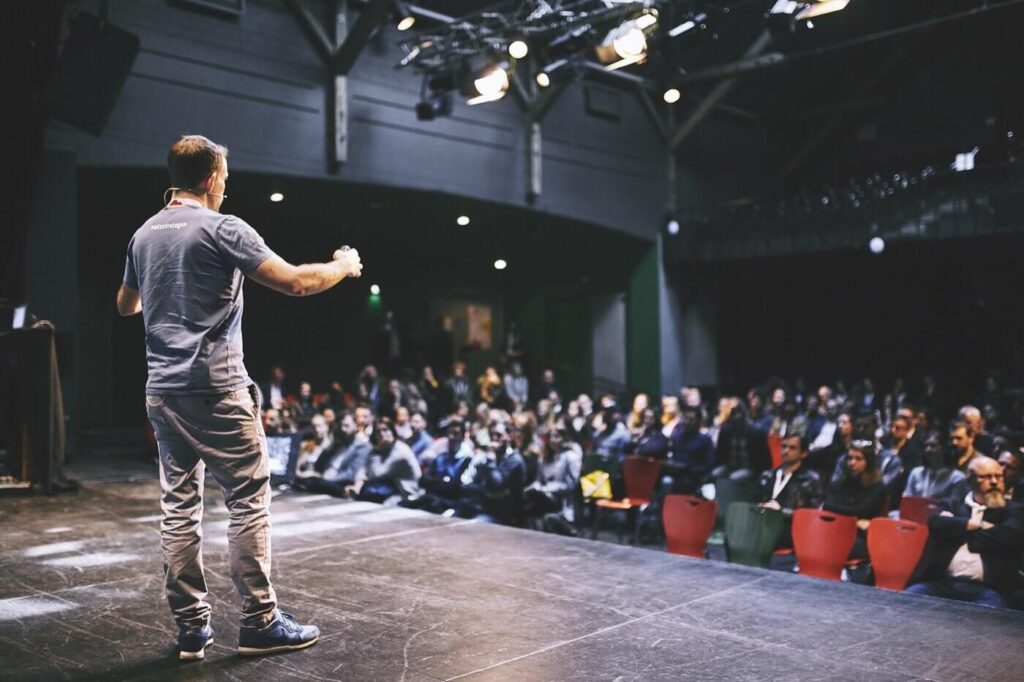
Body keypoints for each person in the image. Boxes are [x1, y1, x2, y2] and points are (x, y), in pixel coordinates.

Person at [117, 135, 362, 659]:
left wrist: (164, 287)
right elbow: (296, 283)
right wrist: (342, 265)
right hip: (216, 389)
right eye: (224, 178)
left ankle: (191, 628)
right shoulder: (221, 227)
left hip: (162, 390)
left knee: (178, 507)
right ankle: (259, 619)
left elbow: (125, 305)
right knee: (248, 500)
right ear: (210, 179)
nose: (225, 188)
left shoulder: (143, 235)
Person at [906, 456, 1024, 608]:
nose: (994, 482)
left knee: (991, 618)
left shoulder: (1013, 510)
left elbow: (1010, 537)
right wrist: (975, 524)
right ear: (970, 480)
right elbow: (935, 522)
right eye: (986, 477)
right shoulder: (952, 504)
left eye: (998, 476)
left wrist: (958, 528)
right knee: (904, 603)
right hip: (940, 583)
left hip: (987, 589)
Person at [823, 440, 886, 560]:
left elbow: (863, 510)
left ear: (868, 462)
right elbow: (828, 505)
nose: (852, 463)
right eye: (850, 458)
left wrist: (839, 511)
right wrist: (853, 518)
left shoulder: (877, 487)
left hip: (861, 535)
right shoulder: (841, 482)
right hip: (837, 529)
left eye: (858, 459)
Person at [757, 434, 823, 549]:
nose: (786, 451)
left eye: (792, 448)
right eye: (784, 446)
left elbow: (812, 515)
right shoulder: (767, 476)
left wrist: (781, 512)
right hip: (764, 523)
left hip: (791, 529)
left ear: (803, 453)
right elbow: (755, 501)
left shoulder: (811, 480)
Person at [347, 417, 421, 503]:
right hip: (385, 487)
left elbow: (377, 473)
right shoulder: (380, 449)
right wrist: (357, 486)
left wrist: (376, 453)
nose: (382, 434)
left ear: (392, 432)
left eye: (385, 430)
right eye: (378, 432)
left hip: (404, 493)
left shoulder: (400, 450)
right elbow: (363, 469)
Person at [903, 431, 966, 501]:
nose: (928, 450)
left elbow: (954, 505)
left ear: (944, 449)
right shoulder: (916, 473)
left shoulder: (957, 478)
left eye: (933, 446)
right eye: (926, 446)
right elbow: (907, 500)